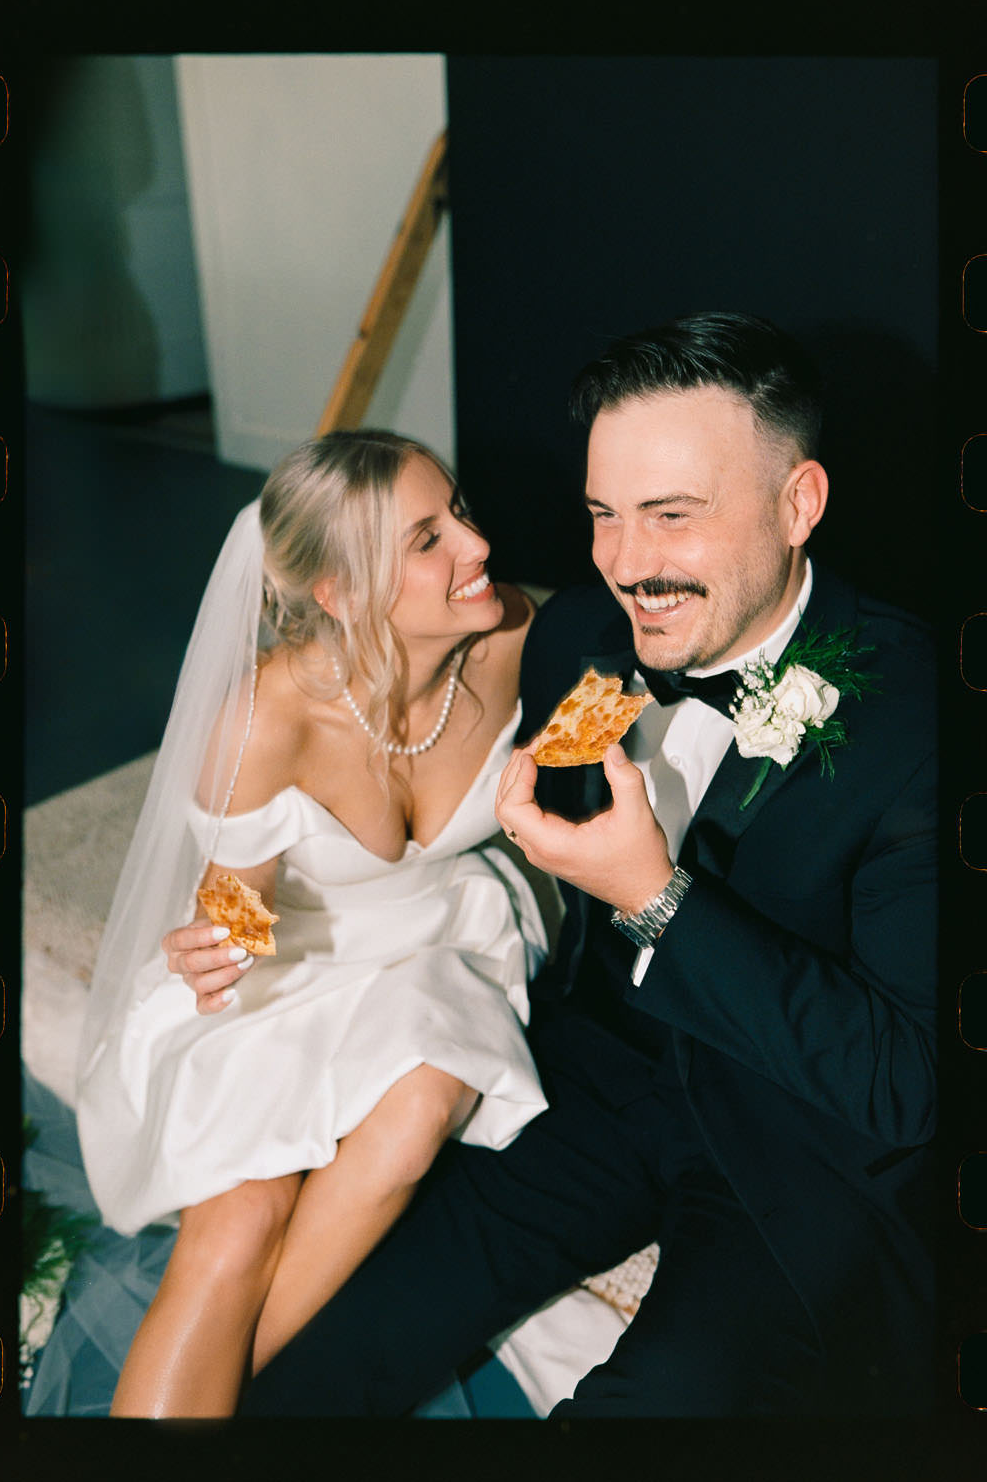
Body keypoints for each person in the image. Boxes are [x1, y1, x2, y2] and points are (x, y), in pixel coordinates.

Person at [239, 312, 937, 1418]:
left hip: (795, 1149)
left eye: (671, 517)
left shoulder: (922, 723)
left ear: (796, 504)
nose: (624, 565)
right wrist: (241, 898)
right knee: (329, 1340)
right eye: (603, 516)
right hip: (599, 1078)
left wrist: (654, 899)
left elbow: (909, 1086)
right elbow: (380, 718)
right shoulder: (577, 638)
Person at [74, 429, 552, 1417]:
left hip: (449, 936)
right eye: (427, 539)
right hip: (297, 956)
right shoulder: (267, 717)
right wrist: (204, 950)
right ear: (337, 591)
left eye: (458, 509)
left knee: (424, 1099)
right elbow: (235, 919)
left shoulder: (515, 637)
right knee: (237, 1221)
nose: (476, 545)